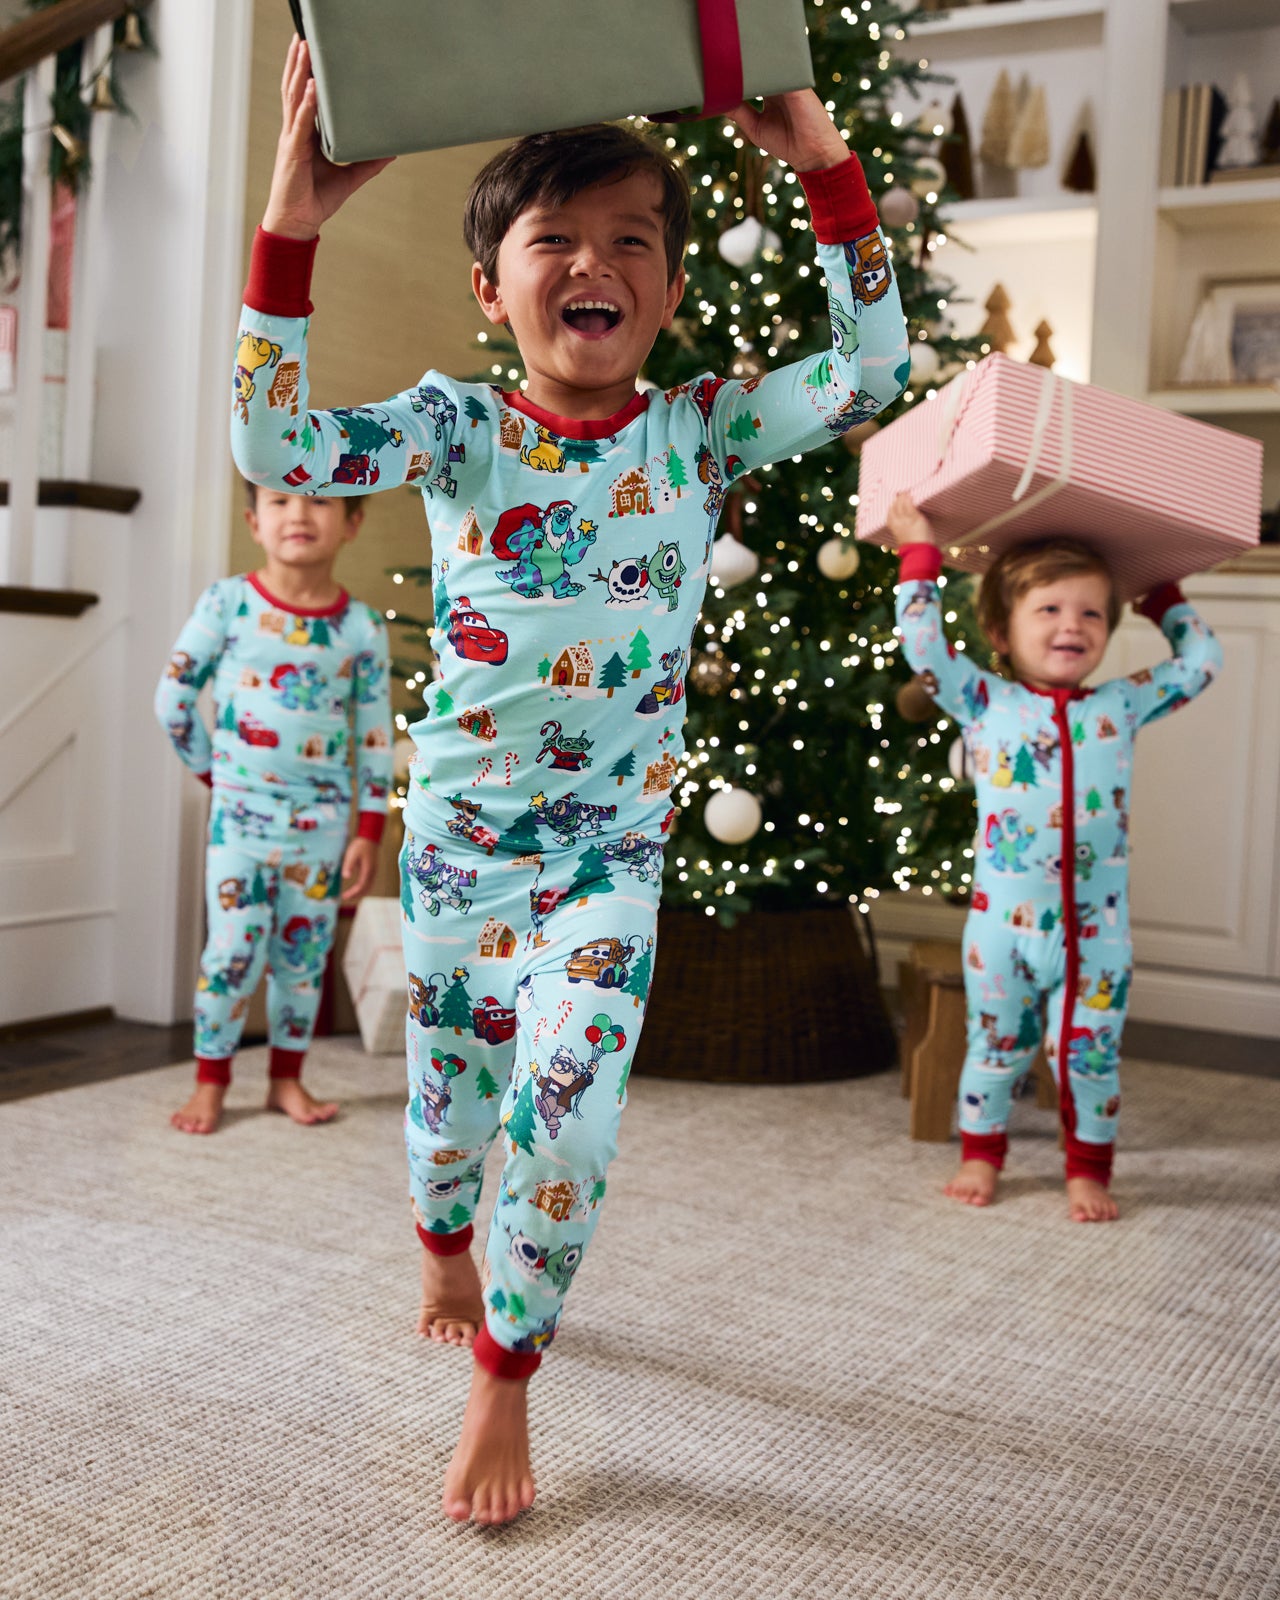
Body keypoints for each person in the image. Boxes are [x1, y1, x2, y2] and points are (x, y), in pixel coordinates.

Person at [232, 35, 909, 1526]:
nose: (593, 263)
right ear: (495, 288)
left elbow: (874, 370)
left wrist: (823, 171)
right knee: (451, 1114)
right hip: (462, 856)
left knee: (573, 1111)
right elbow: (270, 438)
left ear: (667, 292)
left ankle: (506, 1374)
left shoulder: (699, 430)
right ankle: (437, 1234)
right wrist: (293, 223)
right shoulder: (459, 426)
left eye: (631, 243)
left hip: (609, 856)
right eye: (555, 240)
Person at [887, 491, 1222, 1223]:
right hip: (1001, 928)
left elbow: (1202, 661)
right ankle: (981, 1153)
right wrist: (920, 551)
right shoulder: (984, 700)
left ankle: (1086, 1167)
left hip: (1095, 932)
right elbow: (923, 647)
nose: (1073, 624)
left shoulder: (1121, 704)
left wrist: (1159, 589)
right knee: (996, 1046)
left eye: (1093, 612)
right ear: (1001, 631)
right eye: (1049, 609)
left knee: (1091, 1055)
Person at [155, 480, 392, 1135]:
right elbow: (172, 701)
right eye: (281, 501)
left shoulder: (360, 629)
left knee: (302, 958)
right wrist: (218, 777)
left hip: (322, 829)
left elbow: (375, 739)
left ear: (352, 523)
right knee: (231, 951)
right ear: (253, 521)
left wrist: (368, 829)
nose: (299, 514)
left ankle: (285, 1078)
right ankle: (211, 1082)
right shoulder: (225, 605)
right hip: (240, 823)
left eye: (320, 501)